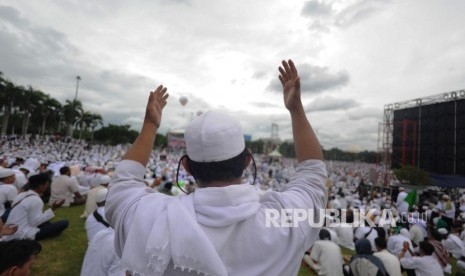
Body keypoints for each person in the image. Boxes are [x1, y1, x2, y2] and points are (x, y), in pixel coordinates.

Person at [106, 59, 327, 275]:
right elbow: (313, 174)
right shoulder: (285, 220)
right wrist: (296, 109)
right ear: (247, 161)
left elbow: (123, 185)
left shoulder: (154, 220)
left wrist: (150, 126)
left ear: (187, 167)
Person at [3, 173, 68, 241]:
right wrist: (53, 208)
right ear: (41, 186)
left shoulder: (21, 195)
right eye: (46, 185)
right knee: (64, 223)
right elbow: (34, 223)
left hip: (11, 228)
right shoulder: (36, 200)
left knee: (47, 223)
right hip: (23, 233)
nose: (47, 187)